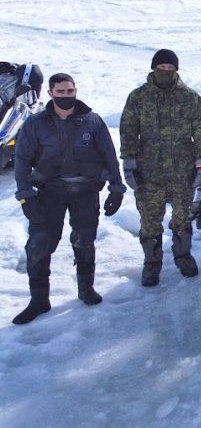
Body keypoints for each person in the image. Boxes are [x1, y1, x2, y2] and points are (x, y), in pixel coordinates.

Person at [12, 73, 126, 324]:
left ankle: (86, 289)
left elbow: (108, 155)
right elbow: (22, 162)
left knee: (84, 240)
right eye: (60, 92)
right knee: (40, 243)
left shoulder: (92, 121)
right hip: (49, 192)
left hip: (86, 191)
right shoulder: (35, 124)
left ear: (76, 90)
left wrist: (117, 189)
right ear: (51, 93)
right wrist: (25, 195)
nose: (66, 96)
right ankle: (39, 300)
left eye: (70, 91)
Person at [120, 49, 201, 287]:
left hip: (182, 169)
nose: (166, 72)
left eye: (170, 69)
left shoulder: (189, 98)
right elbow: (128, 130)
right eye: (162, 68)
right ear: (153, 68)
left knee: (182, 217)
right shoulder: (138, 97)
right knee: (150, 219)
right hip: (149, 170)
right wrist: (129, 163)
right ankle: (152, 263)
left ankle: (183, 256)